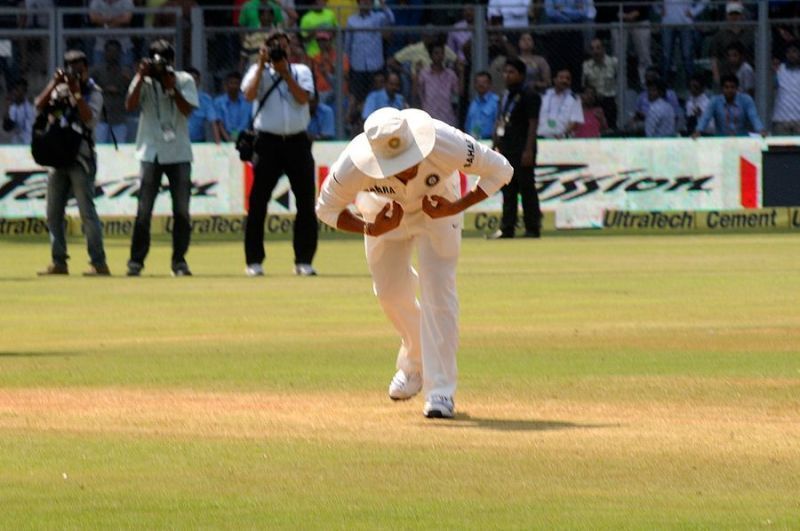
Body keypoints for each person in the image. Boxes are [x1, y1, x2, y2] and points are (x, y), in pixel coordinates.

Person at [315, 107, 513, 418]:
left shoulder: (446, 141)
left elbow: (501, 170)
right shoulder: (353, 162)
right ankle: (415, 362)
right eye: (396, 166)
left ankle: (440, 393)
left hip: (438, 210)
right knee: (390, 294)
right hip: (382, 215)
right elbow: (325, 209)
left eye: (410, 160)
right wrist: (371, 227)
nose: (406, 171)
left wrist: (456, 206)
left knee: (438, 294)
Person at [241, 29, 318, 277]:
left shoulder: (301, 71)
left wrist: (285, 73)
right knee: (257, 202)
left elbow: (303, 98)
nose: (279, 51)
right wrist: (262, 65)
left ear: (289, 49)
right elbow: (249, 94)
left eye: (283, 47)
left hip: (297, 141)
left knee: (306, 202)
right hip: (267, 143)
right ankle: (254, 261)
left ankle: (303, 260)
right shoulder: (257, 72)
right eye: (273, 47)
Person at [125, 39, 199, 277]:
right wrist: (139, 76)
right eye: (155, 58)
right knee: (144, 210)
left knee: (181, 210)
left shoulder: (184, 80)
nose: (159, 64)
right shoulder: (144, 81)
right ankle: (136, 262)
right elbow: (130, 105)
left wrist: (171, 88)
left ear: (172, 61)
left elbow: (187, 110)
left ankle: (179, 261)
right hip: (150, 151)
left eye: (164, 59)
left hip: (178, 152)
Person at [34, 50, 110, 276]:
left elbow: (89, 119)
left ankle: (98, 262)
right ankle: (59, 261)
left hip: (81, 158)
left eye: (79, 67)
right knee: (53, 212)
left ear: (86, 68)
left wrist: (77, 95)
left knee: (87, 212)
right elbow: (39, 105)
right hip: (58, 158)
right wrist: (54, 84)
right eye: (70, 67)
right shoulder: (59, 88)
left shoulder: (93, 92)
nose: (75, 72)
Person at [488, 58, 542, 240]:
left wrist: (529, 149)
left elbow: (533, 124)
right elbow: (501, 120)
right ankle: (507, 227)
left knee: (527, 188)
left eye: (511, 72)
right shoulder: (504, 96)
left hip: (522, 147)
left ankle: (532, 228)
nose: (507, 75)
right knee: (508, 189)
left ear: (521, 75)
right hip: (507, 147)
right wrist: (496, 142)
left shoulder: (530, 95)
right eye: (505, 72)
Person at [344, 0, 394, 103]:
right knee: (358, 99)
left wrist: (383, 5)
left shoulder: (379, 17)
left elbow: (391, 19)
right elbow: (347, 44)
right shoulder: (351, 20)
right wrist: (348, 64)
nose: (366, 2)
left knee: (377, 98)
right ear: (358, 3)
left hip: (375, 65)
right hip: (358, 66)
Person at [692, 74, 766, 138]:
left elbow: (753, 116)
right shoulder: (715, 101)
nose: (729, 90)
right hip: (721, 139)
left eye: (732, 87)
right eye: (726, 87)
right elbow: (706, 117)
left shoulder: (746, 100)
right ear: (722, 89)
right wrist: (698, 131)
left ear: (737, 88)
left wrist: (760, 130)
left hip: (741, 139)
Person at [90, 39, 132, 144]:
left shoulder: (126, 72)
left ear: (119, 53)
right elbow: (88, 85)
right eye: (109, 51)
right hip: (102, 117)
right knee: (99, 147)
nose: (112, 55)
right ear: (105, 53)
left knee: (120, 147)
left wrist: (128, 81)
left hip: (119, 117)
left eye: (115, 52)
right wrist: (104, 89)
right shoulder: (97, 71)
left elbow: (133, 90)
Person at [659, 0, 707, 84]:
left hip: (686, 24)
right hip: (667, 23)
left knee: (687, 55)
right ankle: (663, 88)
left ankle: (691, 86)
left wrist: (694, 11)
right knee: (666, 56)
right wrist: (658, 9)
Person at [413, 43, 461, 127]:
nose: (439, 56)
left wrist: (462, 72)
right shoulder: (424, 74)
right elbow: (416, 93)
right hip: (430, 119)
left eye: (442, 53)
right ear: (431, 56)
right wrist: (416, 74)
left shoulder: (451, 74)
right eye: (436, 53)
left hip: (447, 118)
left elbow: (459, 92)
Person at [709, 1, 754, 89]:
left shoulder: (749, 34)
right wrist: (717, 77)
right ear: (726, 15)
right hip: (725, 75)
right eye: (731, 14)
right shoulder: (720, 35)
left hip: (745, 76)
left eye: (737, 14)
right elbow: (714, 57)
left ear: (742, 15)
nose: (734, 17)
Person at [582, 37, 618, 130]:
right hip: (594, 101)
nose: (595, 51)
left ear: (603, 49)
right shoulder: (586, 65)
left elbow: (619, 80)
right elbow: (584, 85)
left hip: (609, 100)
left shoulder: (613, 62)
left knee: (610, 128)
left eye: (598, 48)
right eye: (592, 49)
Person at [536, 68, 583, 139]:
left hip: (562, 138)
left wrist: (563, 135)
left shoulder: (574, 98)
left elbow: (575, 121)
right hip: (541, 136)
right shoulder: (544, 95)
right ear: (554, 80)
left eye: (568, 79)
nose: (565, 81)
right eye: (561, 78)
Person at [185, 67, 220, 144]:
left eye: (195, 79)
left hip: (198, 141)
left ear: (199, 81)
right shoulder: (176, 96)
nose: (192, 82)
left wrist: (218, 144)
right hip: (179, 141)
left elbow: (213, 122)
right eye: (189, 79)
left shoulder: (205, 99)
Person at [772, 41, 800, 135]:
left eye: (794, 51)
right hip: (781, 119)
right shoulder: (779, 69)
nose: (791, 55)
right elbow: (771, 86)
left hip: (799, 120)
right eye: (788, 52)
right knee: (781, 149)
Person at [214, 71, 251, 143]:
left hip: (244, 138)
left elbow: (246, 122)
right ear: (226, 85)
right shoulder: (219, 102)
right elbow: (219, 124)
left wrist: (235, 137)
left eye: (236, 83)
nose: (234, 86)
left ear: (240, 85)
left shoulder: (247, 101)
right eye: (231, 83)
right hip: (225, 138)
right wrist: (229, 140)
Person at [463, 71, 499, 140]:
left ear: (490, 84)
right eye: (478, 82)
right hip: (472, 141)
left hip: (488, 141)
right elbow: (467, 124)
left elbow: (497, 123)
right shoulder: (473, 103)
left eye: (484, 82)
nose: (481, 85)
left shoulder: (496, 102)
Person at [2, 78, 35, 145]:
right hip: (16, 144)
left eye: (19, 90)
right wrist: (7, 109)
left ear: (24, 92)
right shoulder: (12, 108)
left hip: (29, 143)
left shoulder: (30, 108)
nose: (16, 93)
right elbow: (7, 128)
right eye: (15, 90)